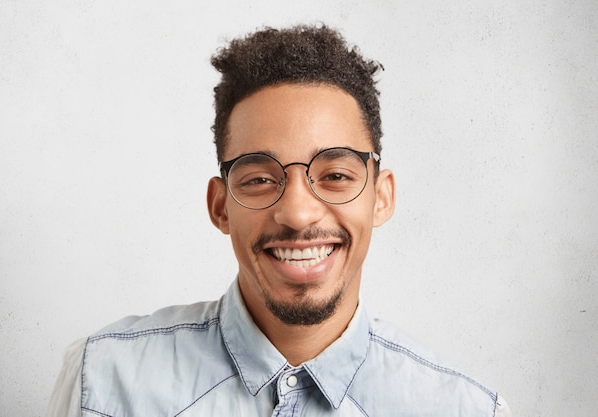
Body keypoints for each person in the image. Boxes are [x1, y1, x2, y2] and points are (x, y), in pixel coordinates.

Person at [46, 24, 511, 416]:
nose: (296, 213)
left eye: (334, 174)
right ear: (220, 206)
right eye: (259, 180)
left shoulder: (466, 409)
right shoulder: (103, 382)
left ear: (381, 196)